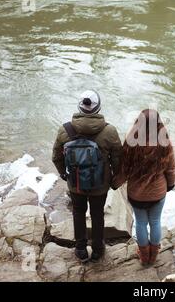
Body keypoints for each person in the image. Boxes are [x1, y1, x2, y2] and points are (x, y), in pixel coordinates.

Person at [52, 90, 122, 262]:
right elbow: (118, 159)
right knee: (98, 214)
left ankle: (81, 249)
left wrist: (64, 174)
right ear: (98, 109)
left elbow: (56, 157)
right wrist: (113, 179)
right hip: (100, 185)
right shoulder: (110, 131)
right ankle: (98, 249)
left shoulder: (65, 129)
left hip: (75, 183)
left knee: (78, 212)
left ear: (79, 108)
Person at [113, 109, 175, 266]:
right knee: (155, 221)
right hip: (158, 193)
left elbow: (124, 169)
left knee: (141, 223)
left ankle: (144, 256)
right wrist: (170, 184)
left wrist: (114, 183)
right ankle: (153, 256)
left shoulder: (131, 141)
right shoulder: (164, 141)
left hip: (136, 194)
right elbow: (170, 168)